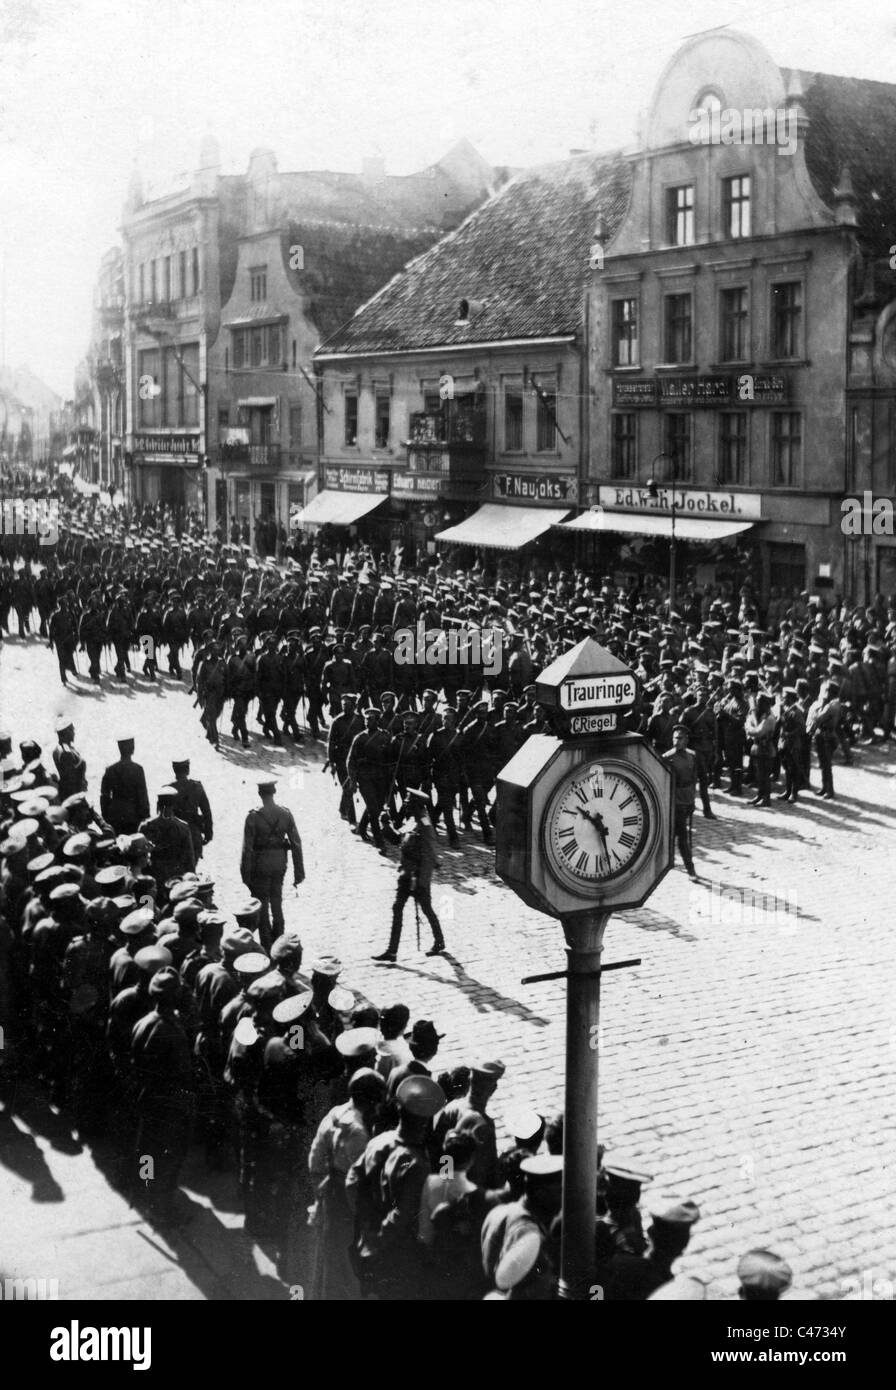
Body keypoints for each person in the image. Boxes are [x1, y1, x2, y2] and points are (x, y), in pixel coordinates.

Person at [129, 966, 196, 1226]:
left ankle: (146, 1192)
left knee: (147, 1152)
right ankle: (162, 1207)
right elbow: (182, 1075)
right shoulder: (172, 1031)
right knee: (170, 1157)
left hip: (146, 1098)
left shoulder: (143, 1023)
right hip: (169, 1107)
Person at [372, 789, 446, 961]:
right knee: (397, 908)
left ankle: (439, 942)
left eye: (408, 801)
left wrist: (421, 881)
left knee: (427, 909)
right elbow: (398, 840)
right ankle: (392, 951)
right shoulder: (413, 820)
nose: (405, 803)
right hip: (406, 874)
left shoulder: (424, 825)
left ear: (416, 804)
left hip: (418, 878)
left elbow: (430, 856)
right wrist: (386, 825)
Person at [239, 780, 305, 952]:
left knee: (262, 906)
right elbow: (296, 843)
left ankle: (267, 945)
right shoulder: (285, 814)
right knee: (277, 903)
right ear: (274, 792)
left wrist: (245, 874)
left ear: (260, 794)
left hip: (260, 865)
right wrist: (299, 872)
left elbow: (247, 849)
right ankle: (280, 944)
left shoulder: (253, 816)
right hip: (279, 863)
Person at [432, 1060, 505, 1190]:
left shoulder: (451, 1108)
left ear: (470, 1081)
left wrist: (447, 1181)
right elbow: (488, 1174)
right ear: (493, 1089)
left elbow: (438, 1151)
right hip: (468, 1195)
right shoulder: (484, 1125)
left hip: (446, 1185)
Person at [139, 787, 197, 896]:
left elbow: (140, 855)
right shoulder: (183, 827)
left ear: (158, 804)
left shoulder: (146, 826)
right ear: (174, 805)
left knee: (149, 908)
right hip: (176, 878)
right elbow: (190, 859)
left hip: (153, 878)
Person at [663, 724, 698, 880]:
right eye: (675, 738)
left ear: (686, 740)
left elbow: (693, 780)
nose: (676, 741)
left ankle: (668, 859)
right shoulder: (666, 758)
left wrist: (692, 802)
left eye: (680, 738)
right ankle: (690, 869)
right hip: (674, 801)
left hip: (687, 799)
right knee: (682, 837)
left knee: (676, 833)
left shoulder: (692, 756)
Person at [100, 737, 150, 836]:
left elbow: (104, 796)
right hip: (133, 816)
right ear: (132, 748)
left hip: (115, 816)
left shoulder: (110, 770)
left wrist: (106, 816)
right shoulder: (138, 769)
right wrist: (145, 816)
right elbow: (142, 796)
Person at [169, 758, 213, 861]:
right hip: (193, 833)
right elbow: (207, 812)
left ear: (174, 770)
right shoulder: (197, 787)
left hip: (175, 834)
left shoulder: (168, 789)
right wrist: (208, 833)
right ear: (188, 769)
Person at [52, 718, 87, 801]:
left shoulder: (58, 749)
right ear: (66, 732)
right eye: (71, 730)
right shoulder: (66, 752)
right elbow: (71, 779)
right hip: (74, 795)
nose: (74, 733)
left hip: (67, 793)